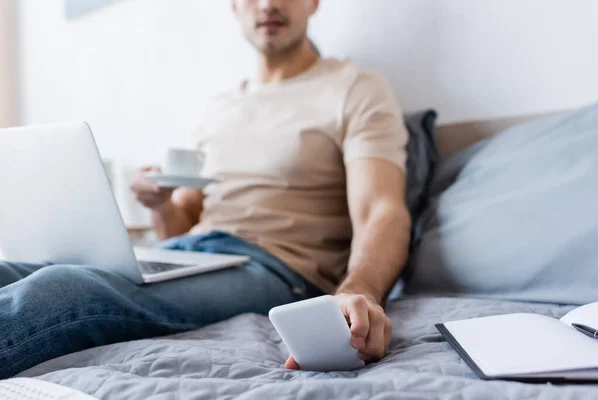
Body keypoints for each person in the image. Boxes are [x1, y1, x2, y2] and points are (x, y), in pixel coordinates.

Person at [0, 0, 411, 379]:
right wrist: (160, 204)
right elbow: (181, 230)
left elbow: (381, 210)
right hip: (194, 256)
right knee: (12, 271)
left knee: (59, 289)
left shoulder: (355, 87)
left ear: (314, 2)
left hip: (277, 269)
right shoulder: (221, 108)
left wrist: (359, 292)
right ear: (234, 6)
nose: (268, 4)